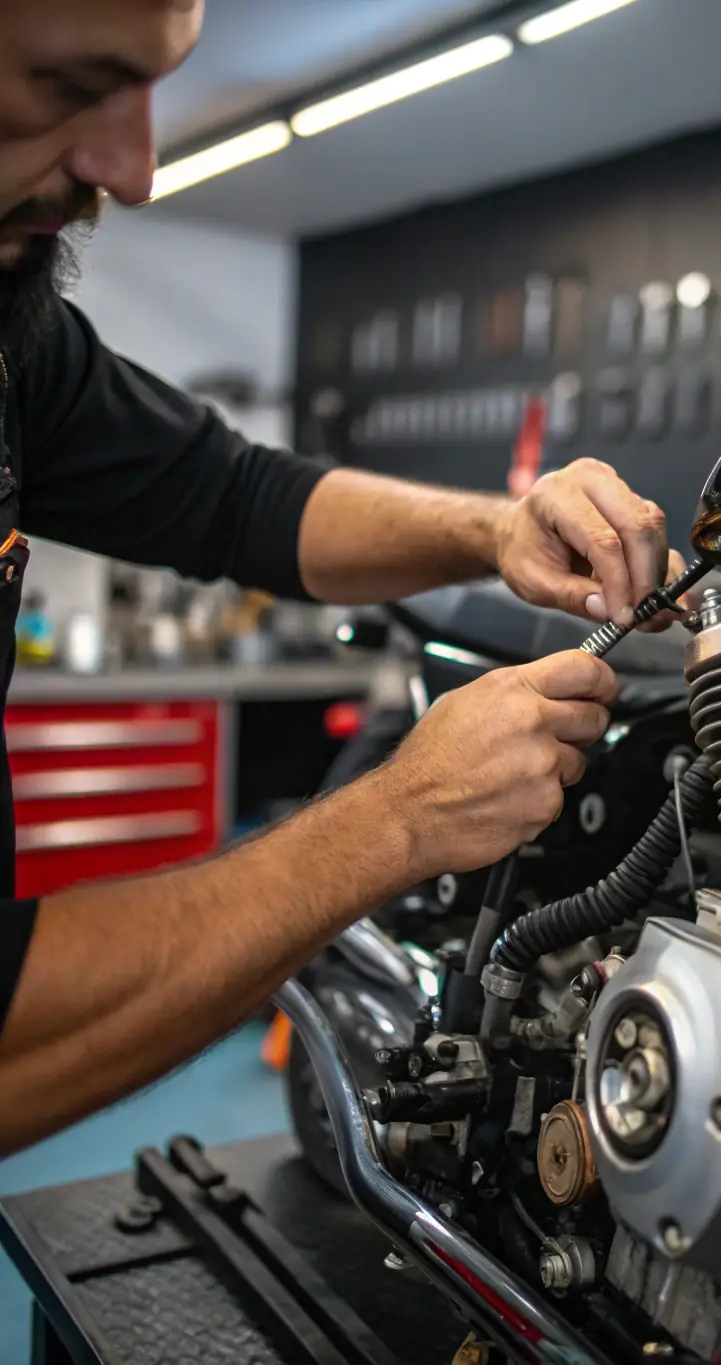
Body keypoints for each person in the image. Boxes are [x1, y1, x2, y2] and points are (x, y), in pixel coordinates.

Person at [0, 0, 684, 1155]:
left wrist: (499, 526)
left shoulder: (14, 340)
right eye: (70, 83)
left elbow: (238, 496)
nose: (135, 169)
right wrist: (398, 818)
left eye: (153, 87)